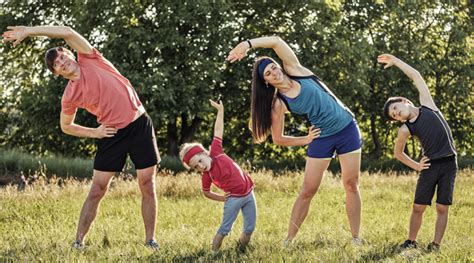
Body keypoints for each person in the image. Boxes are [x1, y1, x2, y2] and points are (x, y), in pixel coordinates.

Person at [2, 26, 161, 250]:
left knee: (147, 184)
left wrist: (28, 31)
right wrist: (95, 132)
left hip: (139, 125)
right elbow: (66, 126)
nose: (62, 61)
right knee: (97, 189)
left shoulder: (90, 57)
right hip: (111, 133)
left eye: (62, 56)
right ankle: (78, 242)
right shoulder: (70, 95)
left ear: (69, 53)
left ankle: (150, 240)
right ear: (57, 73)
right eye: (56, 64)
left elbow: (66, 31)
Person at [227, 36, 363, 245]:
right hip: (322, 137)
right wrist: (306, 139)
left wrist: (247, 45)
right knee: (308, 190)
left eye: (273, 67)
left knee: (351, 184)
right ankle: (288, 240)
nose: (274, 72)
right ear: (266, 81)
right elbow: (278, 139)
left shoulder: (296, 70)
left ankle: (356, 238)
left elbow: (276, 41)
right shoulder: (279, 103)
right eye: (268, 73)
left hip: (347, 128)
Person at [379, 54, 457, 252]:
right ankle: (411, 241)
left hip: (448, 163)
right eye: (394, 116)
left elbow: (416, 76)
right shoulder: (406, 129)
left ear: (405, 101)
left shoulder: (427, 105)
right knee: (418, 207)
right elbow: (398, 153)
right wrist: (416, 165)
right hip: (430, 166)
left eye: (396, 108)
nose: (396, 114)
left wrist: (396, 61)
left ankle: (435, 245)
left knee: (442, 207)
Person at [179, 100, 257, 253]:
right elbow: (206, 192)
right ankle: (214, 253)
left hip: (249, 193)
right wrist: (222, 198)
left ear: (205, 153)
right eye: (195, 167)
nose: (200, 166)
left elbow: (218, 130)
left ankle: (241, 250)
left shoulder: (216, 151)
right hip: (233, 199)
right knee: (225, 229)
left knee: (249, 228)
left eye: (200, 161)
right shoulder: (206, 176)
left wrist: (220, 111)